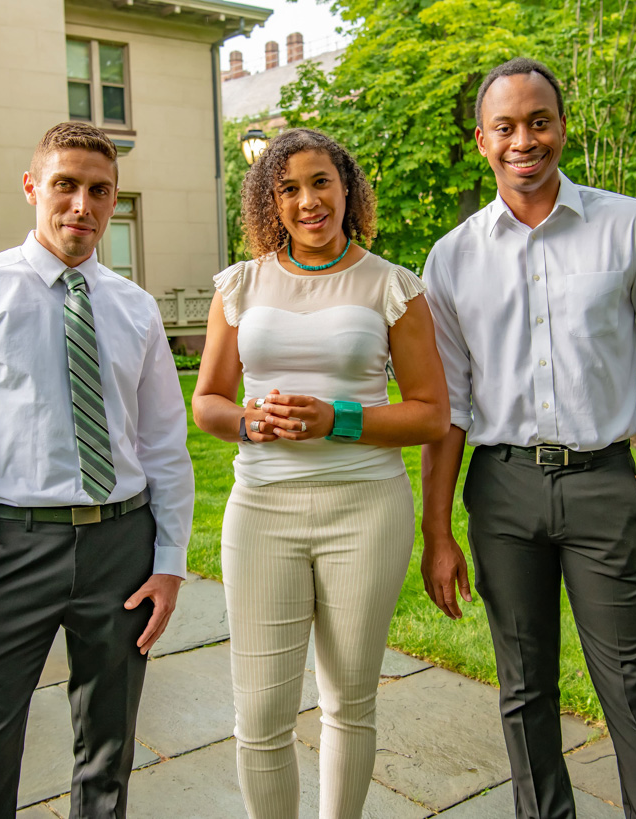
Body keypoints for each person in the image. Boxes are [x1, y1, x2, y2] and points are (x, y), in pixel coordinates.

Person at [420, 58, 636, 819]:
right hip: (503, 488)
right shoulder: (452, 258)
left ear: (562, 127)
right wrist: (437, 528)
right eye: (506, 127)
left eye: (539, 121)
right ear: (482, 140)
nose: (525, 139)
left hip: (603, 482)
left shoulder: (630, 225)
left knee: (631, 685)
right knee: (523, 689)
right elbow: (447, 404)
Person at [0, 122, 194, 819]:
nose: (81, 204)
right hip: (15, 550)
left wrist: (169, 561)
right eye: (65, 185)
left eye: (99, 191)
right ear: (33, 187)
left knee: (109, 750)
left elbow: (165, 444)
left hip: (122, 550)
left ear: (113, 201)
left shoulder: (135, 308)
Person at [192, 128, 449, 818]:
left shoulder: (393, 286)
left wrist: (338, 418)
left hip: (365, 511)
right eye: (290, 188)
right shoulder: (239, 285)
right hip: (264, 511)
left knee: (348, 702)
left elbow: (431, 414)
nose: (308, 201)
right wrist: (251, 420)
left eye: (321, 182)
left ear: (347, 188)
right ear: (270, 202)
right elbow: (208, 401)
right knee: (262, 712)